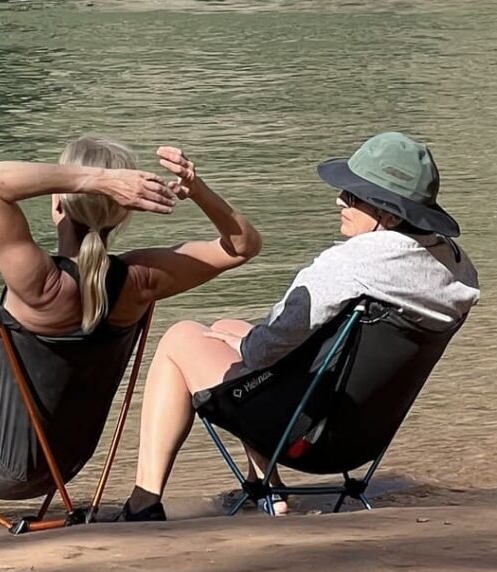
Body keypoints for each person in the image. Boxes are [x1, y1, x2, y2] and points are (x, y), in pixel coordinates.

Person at [0, 135, 261, 533]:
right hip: (63, 464)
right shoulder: (140, 280)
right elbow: (243, 246)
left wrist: (93, 179)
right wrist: (198, 188)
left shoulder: (38, 284)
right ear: (124, 212)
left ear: (57, 203)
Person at [120, 130, 478, 521]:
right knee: (227, 324)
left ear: (390, 215)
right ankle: (269, 495)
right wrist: (234, 336)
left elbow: (260, 352)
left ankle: (143, 503)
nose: (340, 199)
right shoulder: (456, 271)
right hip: (362, 439)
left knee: (180, 338)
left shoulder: (350, 264)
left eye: (354, 196)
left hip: (304, 437)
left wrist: (239, 344)